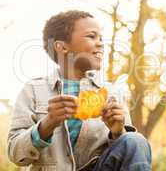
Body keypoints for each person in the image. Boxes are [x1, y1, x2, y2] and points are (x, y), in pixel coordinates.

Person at [7, 10, 152, 171]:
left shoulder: (112, 93)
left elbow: (129, 153)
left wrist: (118, 132)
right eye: (91, 36)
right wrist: (48, 124)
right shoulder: (33, 90)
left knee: (135, 140)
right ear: (61, 47)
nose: (100, 43)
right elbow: (15, 153)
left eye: (101, 38)